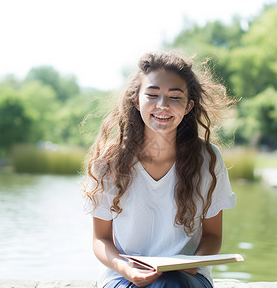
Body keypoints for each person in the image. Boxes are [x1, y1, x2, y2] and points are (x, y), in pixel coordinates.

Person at [82, 51, 236, 288]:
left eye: (175, 97)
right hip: (123, 277)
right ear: (136, 100)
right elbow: (100, 239)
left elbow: (213, 236)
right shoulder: (108, 162)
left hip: (189, 278)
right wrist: (125, 268)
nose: (163, 106)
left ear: (188, 106)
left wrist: (190, 264)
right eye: (152, 95)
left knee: (171, 285)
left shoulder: (207, 158)